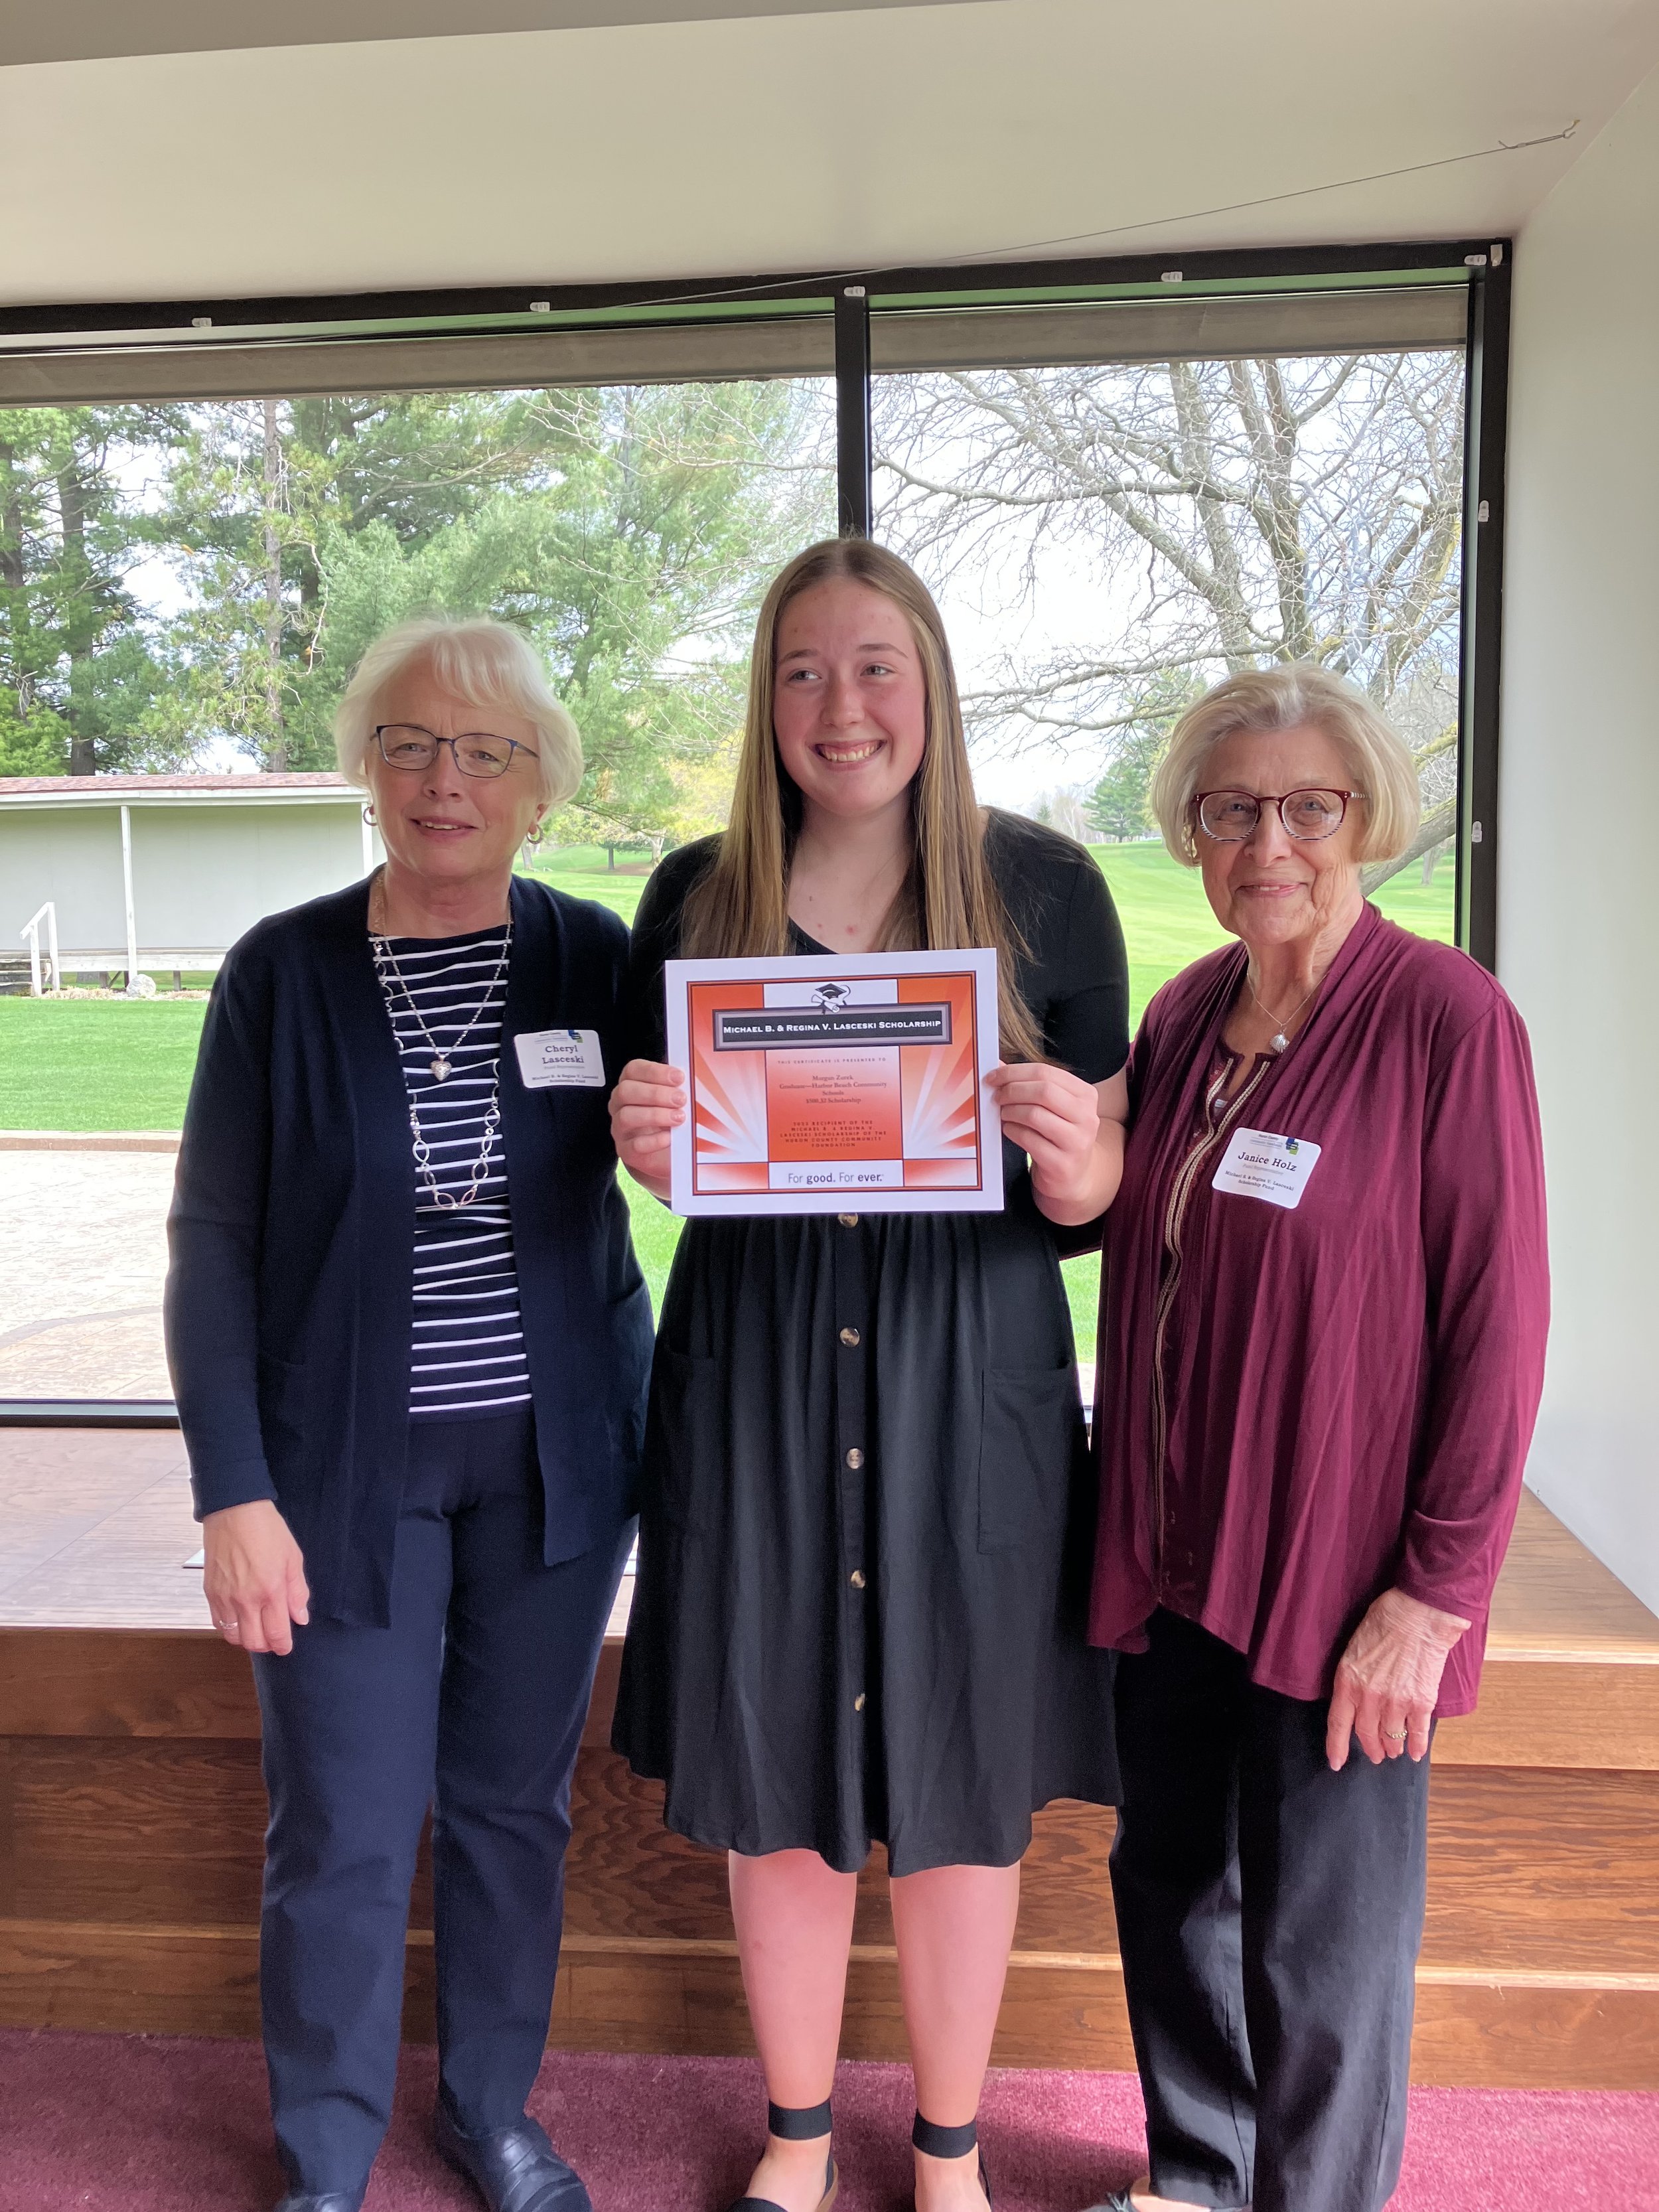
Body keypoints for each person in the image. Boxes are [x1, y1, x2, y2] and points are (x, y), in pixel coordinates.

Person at [608, 538, 1129, 2212]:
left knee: (967, 1780)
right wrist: (654, 1152)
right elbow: (675, 1161)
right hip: (757, 1373)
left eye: (877, 665)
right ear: (765, 698)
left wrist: (1074, 1163)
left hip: (965, 1379)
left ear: (934, 685)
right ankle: (796, 2133)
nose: (844, 708)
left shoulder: (1045, 889)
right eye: (805, 670)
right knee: (775, 1776)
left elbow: (1091, 1198)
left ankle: (951, 2150)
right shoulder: (694, 893)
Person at [165, 617, 652, 2212]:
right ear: (367, 768)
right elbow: (213, 1244)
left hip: (549, 1475)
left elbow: (709, 1139)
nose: (445, 780)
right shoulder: (281, 973)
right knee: (347, 1830)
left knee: (513, 1810)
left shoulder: (595, 956)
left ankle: (489, 2106)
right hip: (337, 1482)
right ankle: (322, 2152)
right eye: (410, 744)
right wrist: (233, 1491)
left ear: (539, 784)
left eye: (485, 750)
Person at [1080, 666, 1549, 2212]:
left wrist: (1434, 1591)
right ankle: (1198, 2174)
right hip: (1172, 1548)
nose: (1265, 842)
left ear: (1363, 820)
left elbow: (1498, 1314)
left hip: (1340, 1569)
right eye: (1228, 810)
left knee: (1316, 1941)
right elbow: (1133, 1239)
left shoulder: (1441, 1016)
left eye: (1304, 805)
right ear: (1190, 833)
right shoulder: (1182, 1014)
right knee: (1166, 1884)